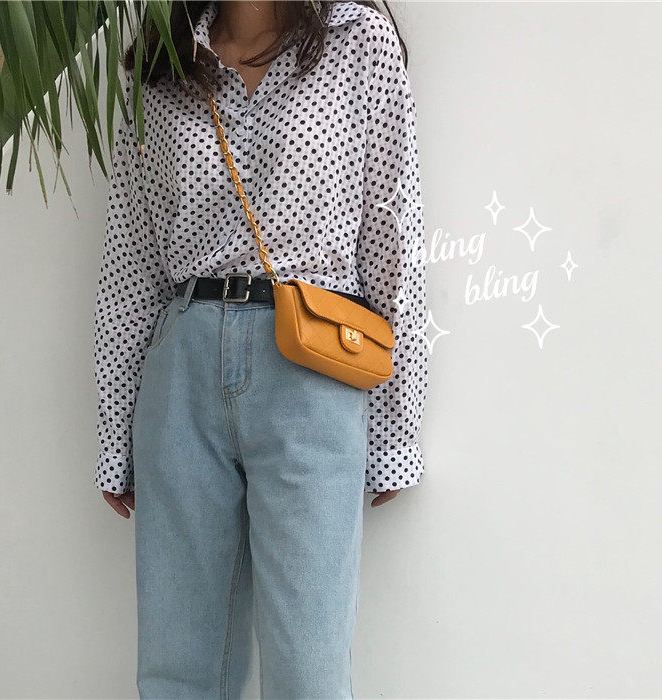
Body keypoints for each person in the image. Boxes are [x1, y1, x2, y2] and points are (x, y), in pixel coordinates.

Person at [93, 1, 428, 697]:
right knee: (176, 668)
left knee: (309, 669)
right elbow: (130, 263)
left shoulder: (357, 42)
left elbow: (393, 240)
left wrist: (397, 431)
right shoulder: (164, 61)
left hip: (313, 370)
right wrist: (114, 435)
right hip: (182, 370)